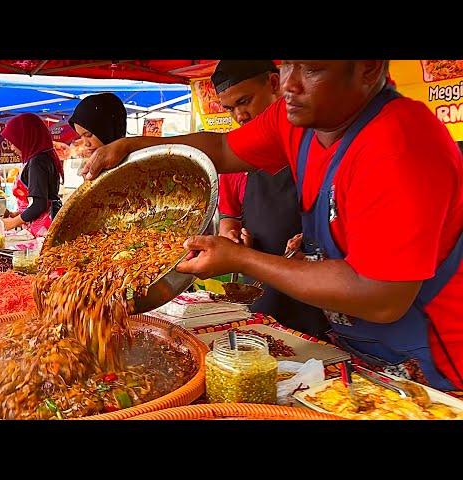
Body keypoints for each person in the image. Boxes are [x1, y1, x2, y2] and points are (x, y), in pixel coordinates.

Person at [81, 60, 463, 391]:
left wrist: (243, 260)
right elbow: (226, 149)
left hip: (435, 365)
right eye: (286, 66)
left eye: (312, 69)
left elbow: (380, 296)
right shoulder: (298, 120)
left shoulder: (399, 144)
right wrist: (137, 147)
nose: (289, 85)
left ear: (369, 68)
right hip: (357, 348)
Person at [211, 60, 328, 337]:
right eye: (230, 109)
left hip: (318, 292)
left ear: (275, 84)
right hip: (261, 292)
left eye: (245, 101)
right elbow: (229, 216)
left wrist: (314, 239)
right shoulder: (235, 159)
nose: (240, 115)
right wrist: (232, 237)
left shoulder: (316, 142)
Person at [0, 113, 64, 237]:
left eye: (13, 142)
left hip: (45, 228)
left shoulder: (37, 162)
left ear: (25, 137)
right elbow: (39, 200)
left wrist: (12, 223)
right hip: (49, 222)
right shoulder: (45, 157)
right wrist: (19, 214)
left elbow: (39, 205)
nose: (12, 148)